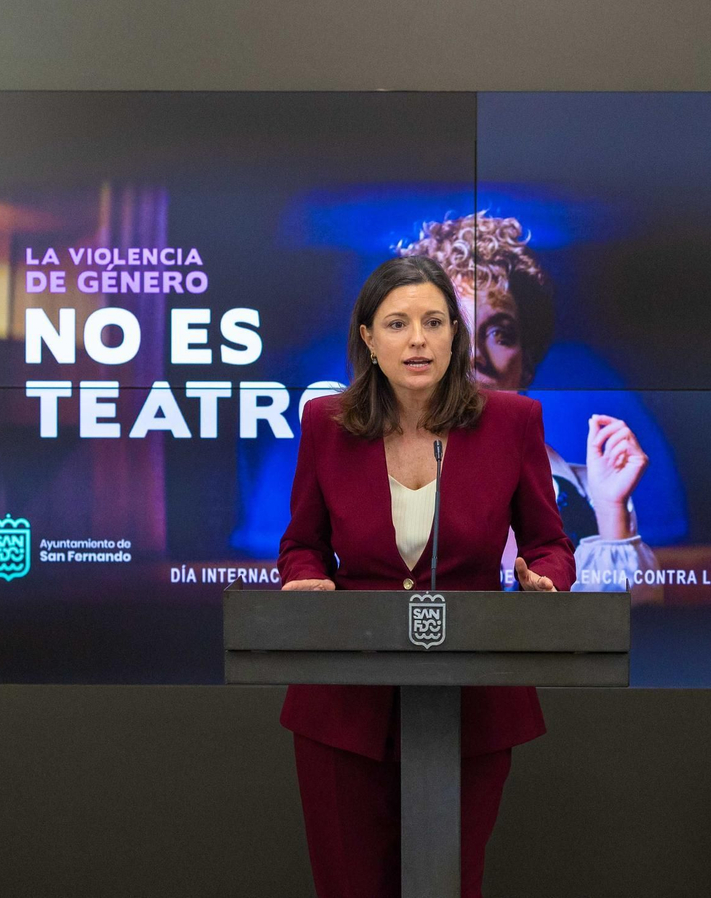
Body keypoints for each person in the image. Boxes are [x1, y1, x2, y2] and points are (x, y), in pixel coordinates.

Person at [276, 255, 576, 898]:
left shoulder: (511, 423)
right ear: (368, 338)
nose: (417, 339)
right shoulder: (326, 425)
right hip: (345, 707)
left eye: (434, 322)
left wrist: (543, 576)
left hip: (471, 701)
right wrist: (306, 582)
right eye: (398, 323)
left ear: (452, 337)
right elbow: (303, 544)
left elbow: (551, 543)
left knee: (448, 882)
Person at [396, 211, 659, 592]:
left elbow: (630, 630)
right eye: (450, 329)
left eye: (500, 333)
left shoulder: (590, 492)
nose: (474, 357)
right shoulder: (380, 480)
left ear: (528, 360)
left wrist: (610, 512)